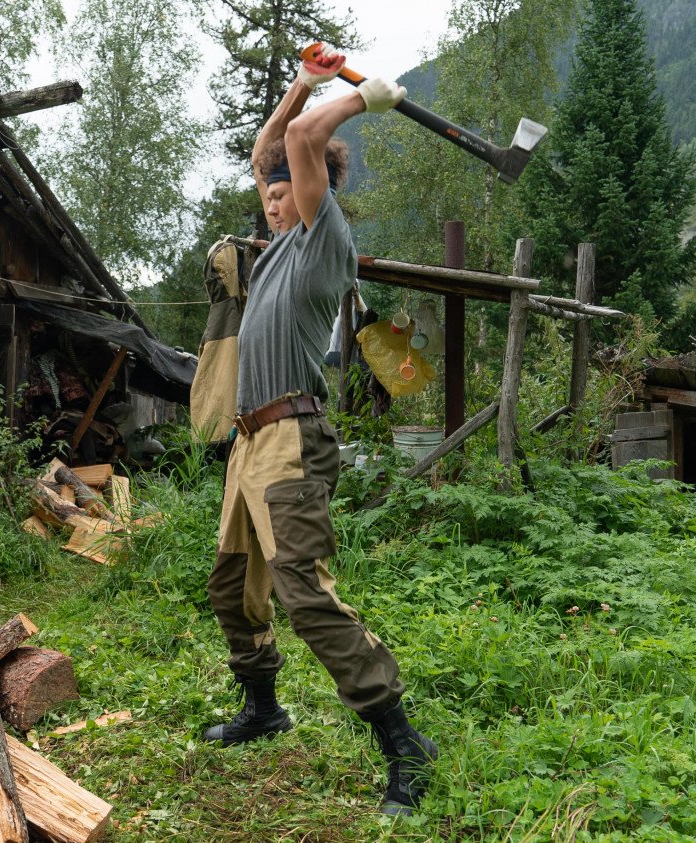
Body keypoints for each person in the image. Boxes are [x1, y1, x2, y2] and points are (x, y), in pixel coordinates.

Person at [199, 46, 439, 817]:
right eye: (267, 194)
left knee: (304, 593)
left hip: (292, 440)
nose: (271, 201)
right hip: (247, 443)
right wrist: (304, 81)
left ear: (315, 193)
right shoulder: (272, 253)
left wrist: (364, 100)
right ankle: (264, 707)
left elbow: (303, 145)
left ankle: (403, 742)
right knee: (234, 590)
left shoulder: (323, 246)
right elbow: (273, 147)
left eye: (284, 193)